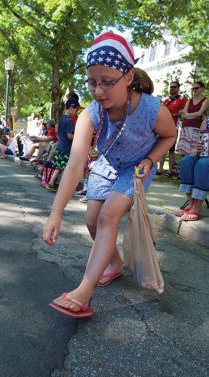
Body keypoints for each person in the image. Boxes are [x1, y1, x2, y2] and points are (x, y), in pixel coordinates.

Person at [43, 30, 176, 318]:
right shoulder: (90, 114)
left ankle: (84, 291)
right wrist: (56, 213)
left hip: (136, 168)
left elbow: (169, 136)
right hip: (105, 165)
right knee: (92, 221)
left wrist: (152, 160)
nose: (98, 91)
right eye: (92, 82)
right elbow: (75, 164)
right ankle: (114, 264)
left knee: (108, 216)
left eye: (107, 82)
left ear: (128, 77)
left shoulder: (153, 109)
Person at [175, 116, 209, 221]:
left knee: (202, 164)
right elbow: (200, 141)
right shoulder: (207, 120)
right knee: (186, 161)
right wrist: (199, 149)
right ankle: (191, 203)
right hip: (204, 155)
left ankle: (197, 207)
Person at [45, 98, 80, 192]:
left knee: (59, 166)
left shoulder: (62, 118)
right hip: (66, 148)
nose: (76, 112)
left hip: (60, 146)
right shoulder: (69, 121)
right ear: (71, 108)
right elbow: (70, 136)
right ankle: (62, 187)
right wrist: (80, 135)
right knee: (64, 167)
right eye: (76, 109)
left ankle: (52, 183)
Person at [157, 81, 187, 176]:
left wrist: (172, 115)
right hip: (163, 127)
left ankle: (170, 171)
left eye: (174, 87)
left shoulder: (182, 100)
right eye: (171, 87)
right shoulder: (166, 101)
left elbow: (183, 114)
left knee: (171, 150)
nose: (172, 88)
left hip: (174, 127)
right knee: (162, 148)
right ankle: (160, 169)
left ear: (178, 88)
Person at [176, 81, 208, 156]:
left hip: (198, 128)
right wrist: (196, 115)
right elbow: (183, 115)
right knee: (183, 153)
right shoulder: (189, 100)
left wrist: (188, 115)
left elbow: (200, 113)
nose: (194, 90)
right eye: (193, 89)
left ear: (202, 88)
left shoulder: (206, 100)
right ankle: (184, 167)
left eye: (196, 88)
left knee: (195, 152)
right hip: (186, 128)